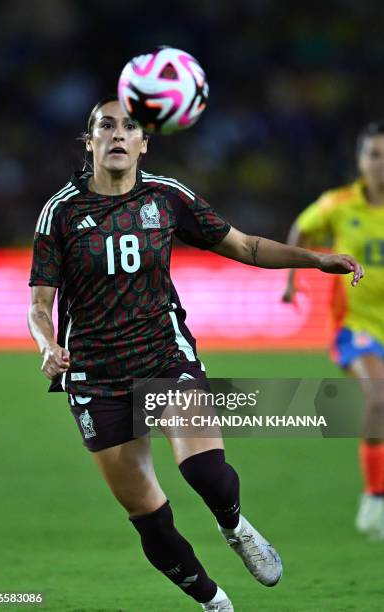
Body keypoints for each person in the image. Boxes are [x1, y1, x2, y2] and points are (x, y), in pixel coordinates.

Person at [28, 96, 363, 611]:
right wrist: (47, 344)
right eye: (106, 126)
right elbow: (39, 304)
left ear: (145, 142)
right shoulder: (61, 212)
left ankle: (234, 525)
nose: (118, 135)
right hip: (94, 377)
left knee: (205, 472)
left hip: (164, 356)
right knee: (151, 518)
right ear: (89, 141)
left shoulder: (167, 198)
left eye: (130, 127)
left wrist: (315, 259)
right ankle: (213, 601)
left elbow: (246, 246)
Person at [283, 121, 384, 540]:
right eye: (374, 154)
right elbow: (301, 229)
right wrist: (291, 279)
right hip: (355, 326)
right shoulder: (338, 204)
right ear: (360, 161)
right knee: (379, 396)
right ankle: (375, 498)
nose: (381, 164)